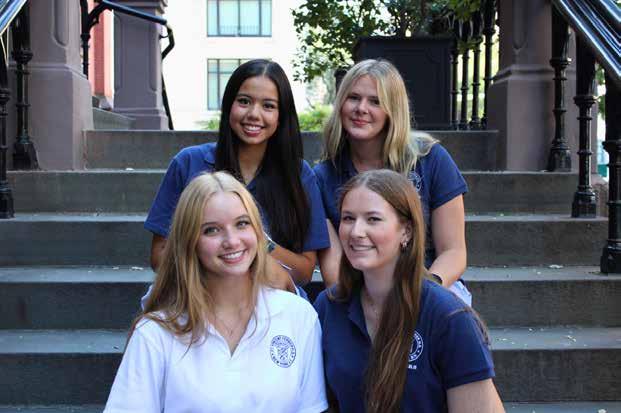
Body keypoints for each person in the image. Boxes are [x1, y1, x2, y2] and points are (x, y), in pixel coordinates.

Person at [105, 172, 328, 412]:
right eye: (211, 230)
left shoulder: (298, 316)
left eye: (242, 223)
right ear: (189, 241)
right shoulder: (155, 333)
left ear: (258, 232)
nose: (232, 241)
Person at [314, 169, 503, 413]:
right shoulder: (329, 306)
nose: (356, 232)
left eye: (373, 219)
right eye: (348, 218)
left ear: (406, 231)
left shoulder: (449, 318)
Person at [146, 59, 329, 290]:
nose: (254, 114)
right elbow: (159, 256)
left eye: (268, 106)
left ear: (281, 116)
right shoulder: (188, 163)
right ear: (228, 104)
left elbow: (303, 273)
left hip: (271, 295)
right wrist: (219, 260)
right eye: (244, 101)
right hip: (201, 294)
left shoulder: (299, 174)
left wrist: (257, 241)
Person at [314, 59, 470, 305]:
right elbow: (333, 269)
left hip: (431, 285)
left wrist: (422, 293)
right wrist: (371, 303)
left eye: (375, 101)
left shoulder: (430, 159)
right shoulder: (324, 176)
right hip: (360, 295)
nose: (361, 108)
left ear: (393, 109)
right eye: (353, 98)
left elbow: (454, 252)